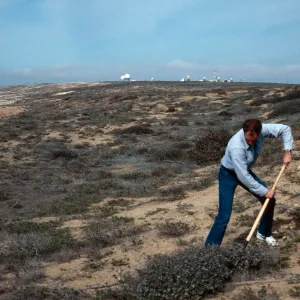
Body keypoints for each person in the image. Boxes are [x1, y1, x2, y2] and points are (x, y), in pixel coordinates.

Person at [205, 119, 293, 247]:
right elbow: (243, 177)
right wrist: (265, 191)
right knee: (224, 215)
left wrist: (287, 151)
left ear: (259, 132)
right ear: (244, 132)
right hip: (228, 174)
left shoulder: (262, 130)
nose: (251, 142)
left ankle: (263, 233)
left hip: (244, 171)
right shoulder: (237, 146)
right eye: (248, 140)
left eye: (254, 139)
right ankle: (209, 250)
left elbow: (284, 129)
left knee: (269, 200)